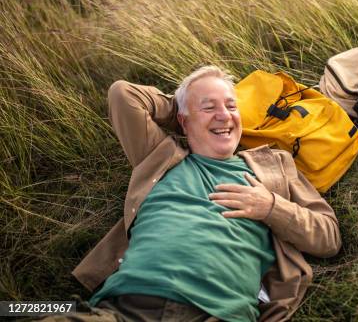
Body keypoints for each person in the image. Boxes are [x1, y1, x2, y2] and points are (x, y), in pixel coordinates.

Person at [43, 66, 341, 322]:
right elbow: (123, 94)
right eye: (209, 107)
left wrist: (271, 207)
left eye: (232, 107)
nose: (224, 116)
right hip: (123, 308)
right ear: (183, 121)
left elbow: (328, 237)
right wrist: (182, 111)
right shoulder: (159, 156)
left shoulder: (274, 165)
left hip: (217, 313)